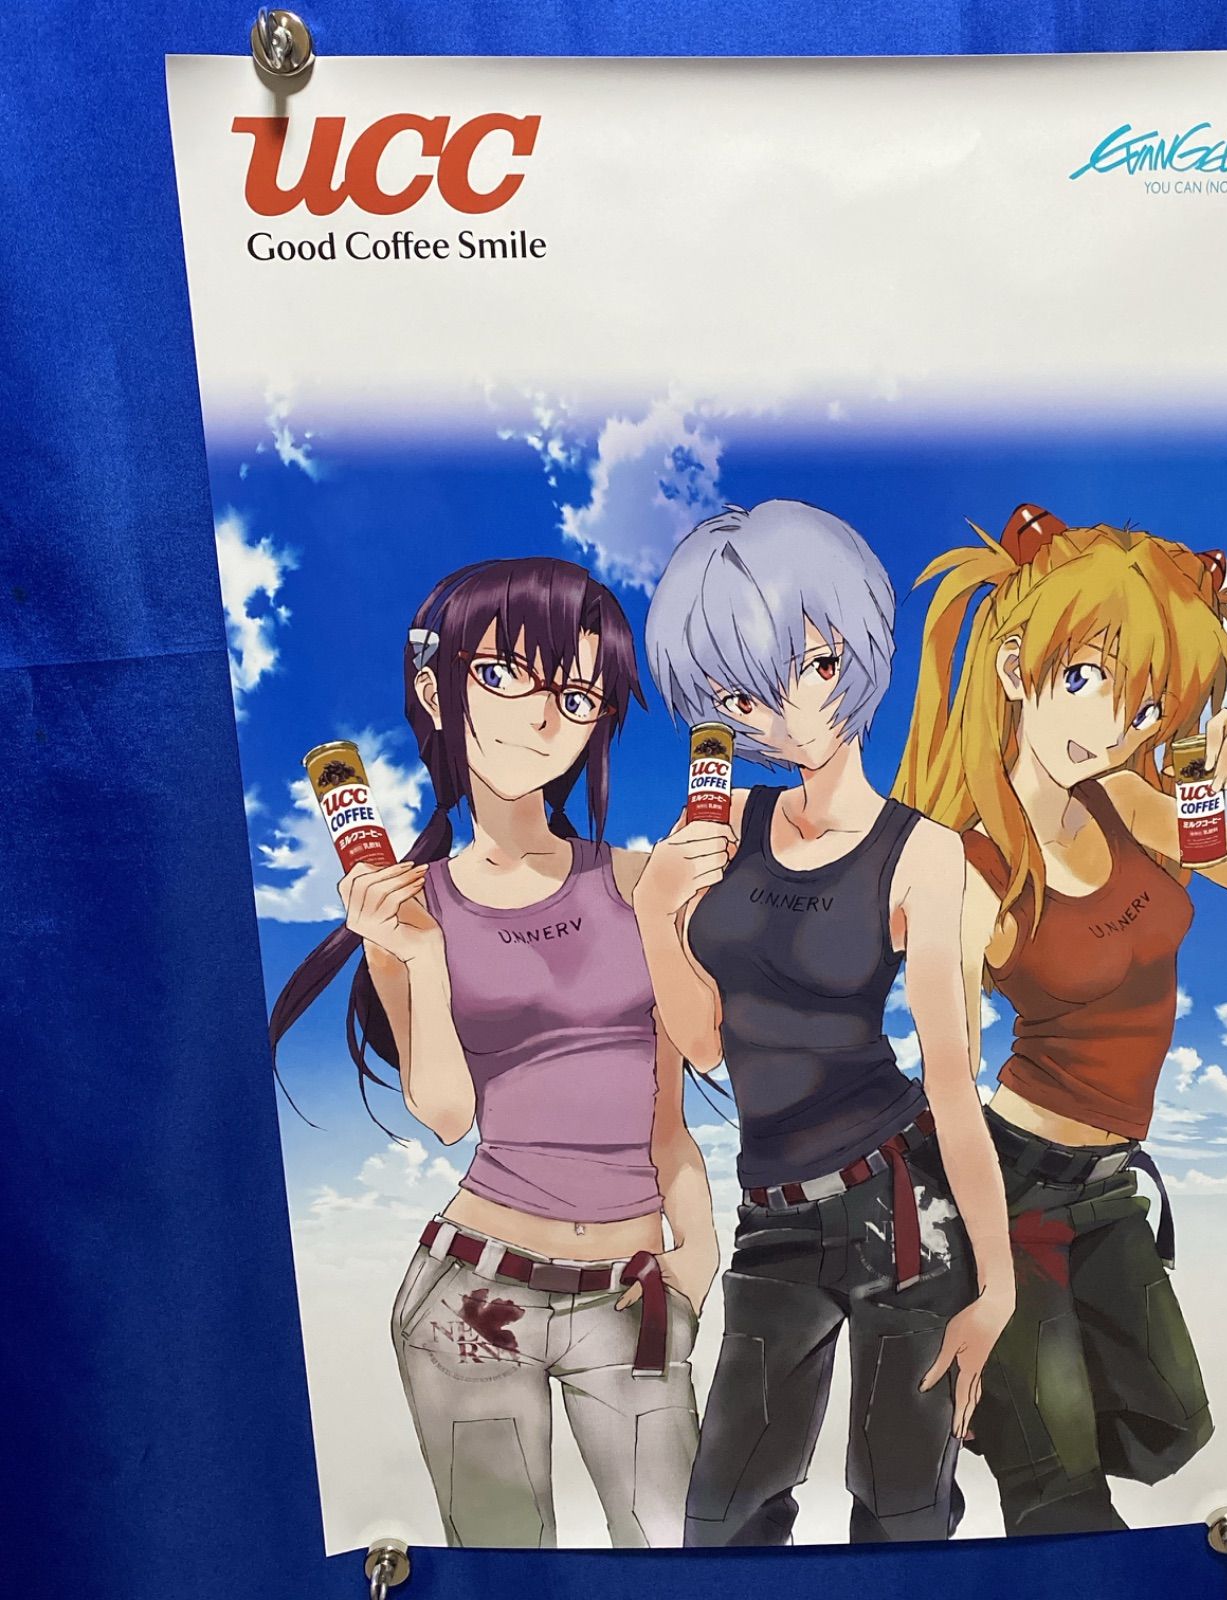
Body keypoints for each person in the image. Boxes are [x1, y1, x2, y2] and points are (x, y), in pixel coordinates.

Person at [893, 504, 1227, 1534]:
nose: (1116, 729)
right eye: (1088, 681)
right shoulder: (972, 873)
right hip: (1008, 1190)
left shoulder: (1131, 804)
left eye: (1145, 707)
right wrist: (991, 1281)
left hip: (1106, 1191)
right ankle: (1009, 1427)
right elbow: (950, 1089)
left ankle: (1013, 1418)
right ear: (1017, 669)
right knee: (1059, 1492)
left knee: (1169, 1427)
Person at [268, 557, 716, 1549]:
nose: (543, 717)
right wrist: (418, 957)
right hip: (472, 1296)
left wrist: (699, 1251)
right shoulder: (413, 906)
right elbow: (444, 1115)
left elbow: (676, 1095)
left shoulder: (636, 879)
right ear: (437, 693)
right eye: (505, 676)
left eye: (578, 694)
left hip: (632, 1292)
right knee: (508, 1572)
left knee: (678, 1556)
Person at [634, 499, 1015, 1546]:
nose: (784, 712)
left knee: (902, 1509)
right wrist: (654, 912)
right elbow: (705, 1044)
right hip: (773, 1214)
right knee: (722, 1516)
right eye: (739, 695)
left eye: (809, 666)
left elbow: (951, 1084)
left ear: (855, 652)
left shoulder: (922, 851)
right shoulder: (719, 824)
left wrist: (996, 1286)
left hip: (900, 1205)